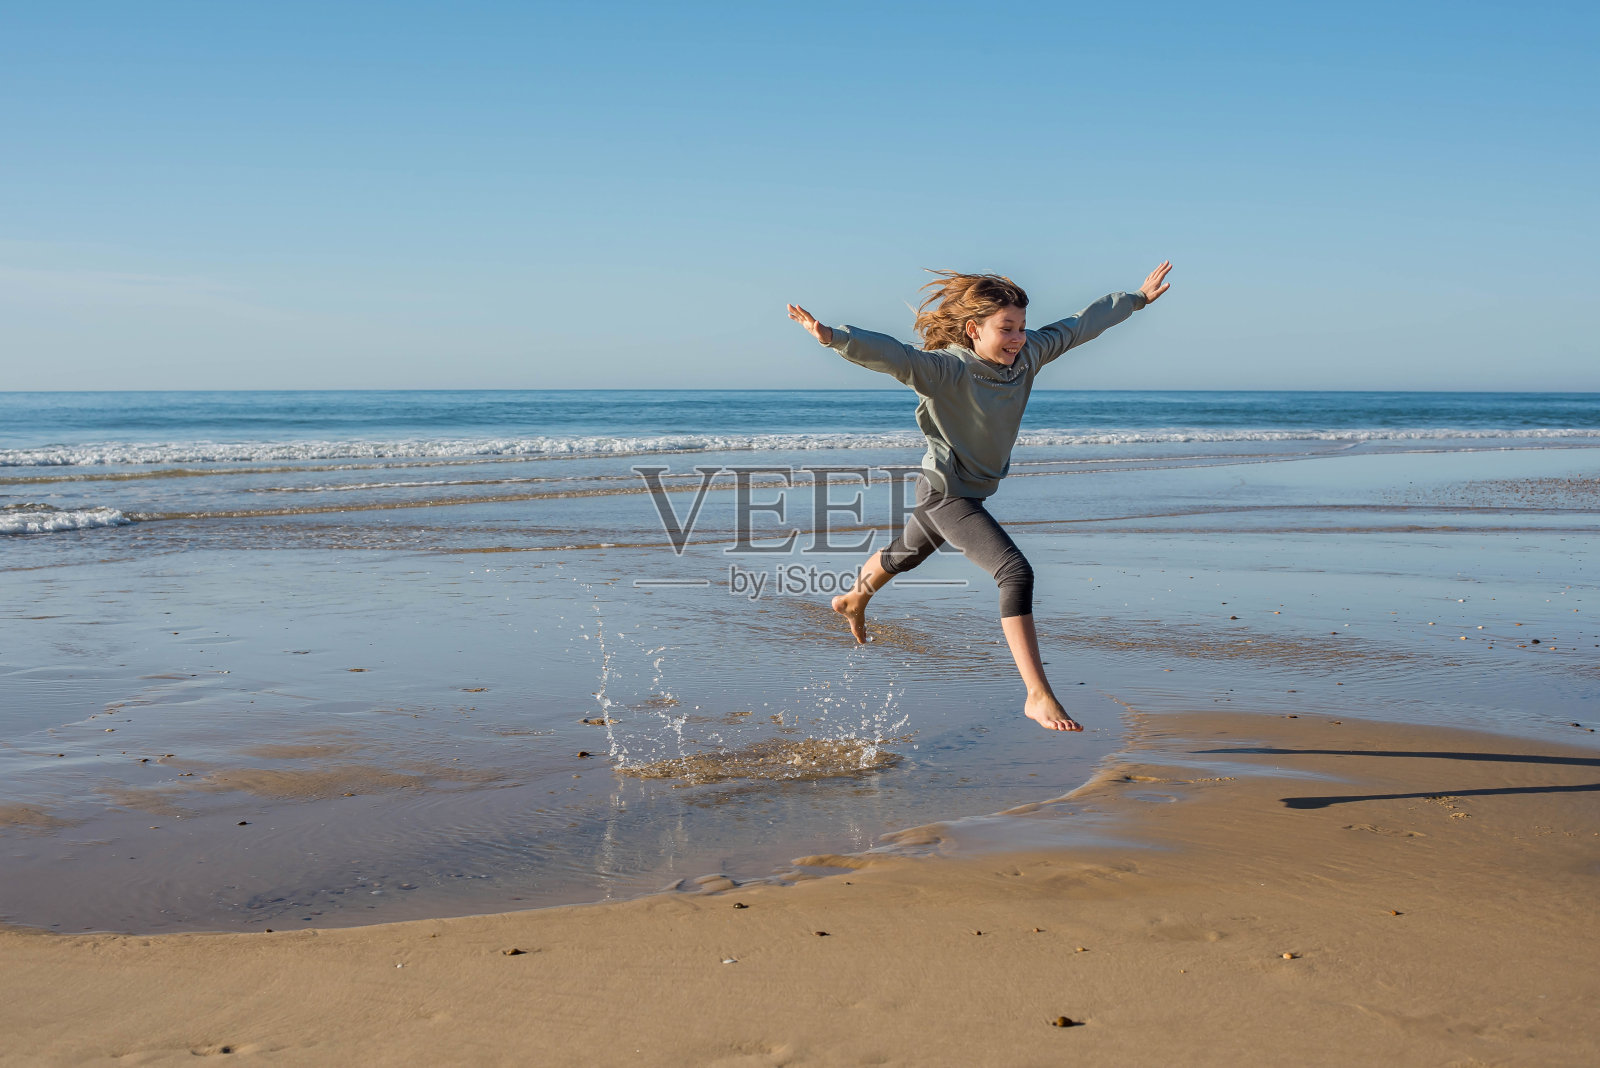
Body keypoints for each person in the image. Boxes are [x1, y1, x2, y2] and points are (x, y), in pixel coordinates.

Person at [785, 262, 1172, 731]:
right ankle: (1037, 694)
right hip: (946, 491)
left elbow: (1079, 325)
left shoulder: (1028, 355)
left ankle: (853, 599)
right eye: (1006, 329)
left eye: (1022, 327)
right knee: (1015, 573)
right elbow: (896, 356)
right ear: (974, 330)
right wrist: (834, 337)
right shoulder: (946, 369)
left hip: (969, 489)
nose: (1018, 339)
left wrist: (1135, 299)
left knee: (905, 555)